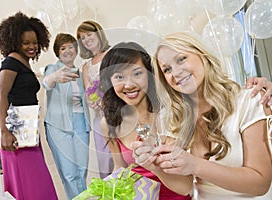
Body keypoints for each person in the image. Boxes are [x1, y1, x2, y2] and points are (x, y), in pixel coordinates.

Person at [132, 32, 272, 200]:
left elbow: (260, 184)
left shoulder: (247, 100)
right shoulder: (173, 119)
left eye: (181, 59)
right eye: (167, 69)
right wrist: (154, 166)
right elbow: (185, 187)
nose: (175, 72)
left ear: (202, 55)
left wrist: (195, 164)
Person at [99, 41, 193, 199]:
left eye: (137, 73)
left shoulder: (172, 113)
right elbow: (120, 166)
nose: (129, 85)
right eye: (119, 77)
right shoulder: (109, 123)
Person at [0, 12, 58, 200]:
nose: (32, 47)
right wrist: (5, 131)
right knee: (33, 180)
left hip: (27, 128)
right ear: (14, 42)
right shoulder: (11, 61)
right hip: (15, 131)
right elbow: (0, 95)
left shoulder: (24, 62)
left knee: (36, 178)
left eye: (35, 42)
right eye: (26, 43)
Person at [42, 33, 91, 199]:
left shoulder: (81, 72)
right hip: (58, 125)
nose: (67, 51)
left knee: (82, 169)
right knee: (69, 173)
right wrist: (54, 77)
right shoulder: (53, 69)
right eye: (63, 48)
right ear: (58, 52)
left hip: (81, 124)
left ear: (76, 50)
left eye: (71, 46)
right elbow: (46, 83)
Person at [76, 20, 113, 178]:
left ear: (98, 34)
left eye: (89, 34)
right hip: (100, 118)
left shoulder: (112, 54)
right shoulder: (85, 66)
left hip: (119, 113)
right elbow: (88, 92)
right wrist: (94, 101)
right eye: (82, 38)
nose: (86, 39)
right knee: (105, 160)